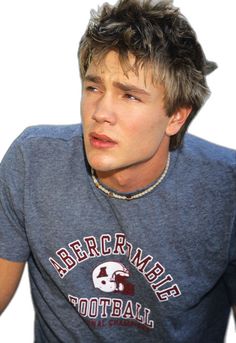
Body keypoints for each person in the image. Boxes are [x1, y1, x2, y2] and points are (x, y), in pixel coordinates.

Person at [0, 0, 235, 342]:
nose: (101, 112)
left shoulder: (224, 189)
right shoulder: (33, 162)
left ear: (176, 117)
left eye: (130, 96)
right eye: (93, 87)